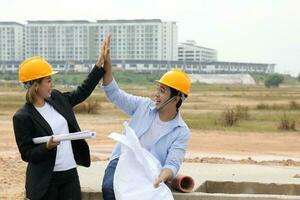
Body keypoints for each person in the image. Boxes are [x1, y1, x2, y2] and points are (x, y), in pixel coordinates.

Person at [12, 35, 110, 200]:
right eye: (48, 81)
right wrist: (47, 147)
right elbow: (27, 154)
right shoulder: (22, 117)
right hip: (45, 181)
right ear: (36, 86)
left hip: (69, 174)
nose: (52, 85)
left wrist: (99, 65)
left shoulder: (57, 98)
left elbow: (82, 92)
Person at [101, 34, 191, 200]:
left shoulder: (181, 131)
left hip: (150, 170)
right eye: (157, 88)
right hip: (123, 160)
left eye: (162, 91)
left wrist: (161, 178)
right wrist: (107, 65)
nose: (156, 94)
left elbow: (172, 164)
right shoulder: (142, 106)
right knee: (109, 188)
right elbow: (114, 93)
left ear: (176, 99)